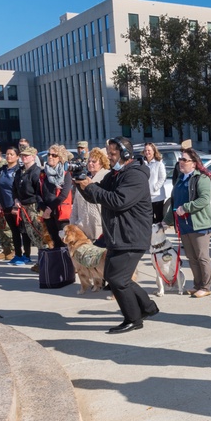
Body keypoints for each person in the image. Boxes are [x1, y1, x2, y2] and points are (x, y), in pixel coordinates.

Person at [76, 137, 159, 334]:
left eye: (113, 154)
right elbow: (98, 194)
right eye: (109, 153)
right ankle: (147, 307)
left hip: (131, 235)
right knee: (116, 277)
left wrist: (91, 187)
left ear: (125, 154)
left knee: (117, 279)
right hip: (118, 235)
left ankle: (133, 318)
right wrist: (82, 184)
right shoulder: (115, 174)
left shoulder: (135, 176)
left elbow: (118, 200)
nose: (110, 157)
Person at [171, 148, 211, 298]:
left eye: (185, 160)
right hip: (184, 225)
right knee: (191, 257)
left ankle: (206, 286)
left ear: (194, 164)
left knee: (202, 256)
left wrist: (186, 207)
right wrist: (166, 221)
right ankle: (197, 285)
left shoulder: (201, 178)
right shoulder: (180, 179)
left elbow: (204, 199)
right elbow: (175, 203)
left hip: (199, 223)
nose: (181, 163)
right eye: (180, 160)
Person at [0, 147, 29, 263]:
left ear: (17, 156)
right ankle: (17, 254)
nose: (9, 156)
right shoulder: (2, 170)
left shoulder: (20, 170)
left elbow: (21, 188)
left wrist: (17, 202)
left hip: (17, 205)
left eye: (12, 154)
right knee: (14, 231)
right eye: (7, 154)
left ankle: (26, 255)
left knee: (23, 230)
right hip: (5, 204)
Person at [12, 146, 46, 263]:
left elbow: (39, 191)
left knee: (38, 232)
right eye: (22, 155)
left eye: (26, 155)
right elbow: (14, 188)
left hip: (33, 206)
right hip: (22, 206)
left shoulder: (37, 171)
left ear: (33, 157)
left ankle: (44, 259)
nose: (24, 157)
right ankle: (41, 260)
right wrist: (16, 199)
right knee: (29, 233)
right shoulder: (20, 171)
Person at [69, 148, 110, 241]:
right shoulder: (83, 178)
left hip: (99, 226)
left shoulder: (106, 177)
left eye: (94, 161)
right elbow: (75, 204)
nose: (90, 163)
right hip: (82, 227)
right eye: (89, 161)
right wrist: (72, 223)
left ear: (102, 162)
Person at [40, 145, 73, 248]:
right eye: (49, 154)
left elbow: (64, 194)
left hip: (61, 212)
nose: (50, 157)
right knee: (54, 240)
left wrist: (50, 208)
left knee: (65, 241)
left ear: (60, 157)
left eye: (54, 155)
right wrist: (44, 208)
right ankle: (58, 263)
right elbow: (38, 193)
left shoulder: (66, 174)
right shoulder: (43, 174)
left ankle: (67, 263)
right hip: (47, 213)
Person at [144, 143, 168, 224]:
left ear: (154, 151)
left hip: (157, 196)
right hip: (146, 196)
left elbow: (163, 177)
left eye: (149, 150)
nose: (147, 152)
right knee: (148, 219)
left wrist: (155, 188)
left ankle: (160, 236)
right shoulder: (143, 163)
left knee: (158, 219)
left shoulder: (158, 163)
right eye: (145, 150)